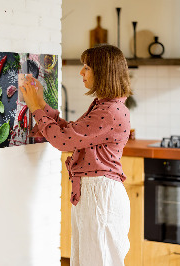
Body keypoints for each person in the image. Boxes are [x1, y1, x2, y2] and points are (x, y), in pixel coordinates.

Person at [20, 44, 132, 266]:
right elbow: (71, 133)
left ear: (103, 72)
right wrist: (41, 103)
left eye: (87, 67)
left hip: (100, 195)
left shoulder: (109, 111)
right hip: (95, 193)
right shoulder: (105, 106)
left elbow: (63, 141)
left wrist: (35, 108)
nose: (81, 72)